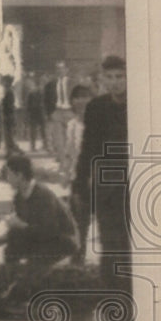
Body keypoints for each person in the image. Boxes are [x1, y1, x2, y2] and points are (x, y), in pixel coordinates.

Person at [71, 55, 130, 291]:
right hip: (107, 189)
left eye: (120, 77)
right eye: (110, 77)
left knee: (132, 247)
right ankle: (114, 305)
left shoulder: (142, 104)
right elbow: (88, 149)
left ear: (128, 77)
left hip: (136, 185)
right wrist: (79, 184)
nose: (115, 82)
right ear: (102, 78)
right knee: (110, 245)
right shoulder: (96, 108)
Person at [0, 153, 77, 268]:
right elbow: (22, 227)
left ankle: (31, 282)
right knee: (11, 248)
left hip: (62, 240)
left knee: (35, 261)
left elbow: (50, 231)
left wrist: (21, 225)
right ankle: (12, 280)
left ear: (19, 175)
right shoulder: (18, 197)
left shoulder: (42, 195)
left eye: (9, 175)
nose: (7, 179)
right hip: (41, 237)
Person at [61, 84, 93, 263]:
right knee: (78, 217)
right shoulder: (72, 125)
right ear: (72, 102)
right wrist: (66, 173)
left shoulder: (98, 123)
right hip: (78, 177)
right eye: (78, 97)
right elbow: (68, 152)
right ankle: (79, 255)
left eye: (86, 97)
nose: (81, 101)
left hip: (96, 176)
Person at [44, 60, 73, 170]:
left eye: (62, 68)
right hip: (57, 112)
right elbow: (46, 100)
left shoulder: (73, 83)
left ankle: (72, 163)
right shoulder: (50, 84)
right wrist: (50, 114)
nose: (60, 71)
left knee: (71, 138)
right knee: (58, 140)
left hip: (70, 112)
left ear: (67, 70)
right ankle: (62, 164)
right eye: (58, 68)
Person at [23, 71, 47, 152]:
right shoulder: (33, 92)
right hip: (35, 113)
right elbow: (28, 104)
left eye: (43, 83)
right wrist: (27, 114)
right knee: (35, 130)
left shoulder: (44, 92)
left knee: (42, 130)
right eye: (41, 83)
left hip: (39, 112)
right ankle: (34, 146)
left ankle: (44, 145)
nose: (42, 85)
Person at [0, 74, 21, 155]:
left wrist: (2, 103)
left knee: (8, 134)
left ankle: (10, 151)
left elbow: (9, 106)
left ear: (7, 83)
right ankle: (11, 149)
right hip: (9, 115)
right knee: (9, 134)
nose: (3, 83)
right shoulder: (8, 91)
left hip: (8, 115)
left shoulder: (8, 92)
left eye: (4, 81)